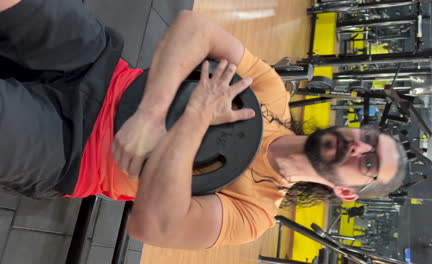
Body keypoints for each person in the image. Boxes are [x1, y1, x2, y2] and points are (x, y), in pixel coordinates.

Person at [0, 0, 407, 250]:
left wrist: (195, 118)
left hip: (75, 152)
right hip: (100, 66)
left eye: (368, 164)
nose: (359, 148)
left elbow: (153, 224)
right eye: (368, 139)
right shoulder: (271, 93)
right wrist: (150, 114)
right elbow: (194, 29)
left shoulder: (253, 214)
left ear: (345, 191)